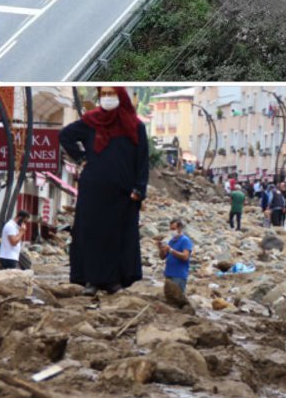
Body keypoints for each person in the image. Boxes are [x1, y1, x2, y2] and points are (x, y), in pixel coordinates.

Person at [60, 86, 148, 296]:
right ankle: (90, 280)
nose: (107, 98)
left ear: (121, 97)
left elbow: (142, 161)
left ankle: (114, 281)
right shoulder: (91, 121)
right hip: (93, 190)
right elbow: (65, 135)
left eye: (112, 94)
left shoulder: (135, 125)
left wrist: (139, 188)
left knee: (117, 236)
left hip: (123, 192)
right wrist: (81, 158)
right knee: (92, 233)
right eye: (103, 94)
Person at [156, 218, 193, 294]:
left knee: (177, 297)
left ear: (180, 228)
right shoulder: (171, 241)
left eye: (173, 229)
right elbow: (162, 257)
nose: (172, 231)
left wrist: (171, 250)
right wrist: (161, 249)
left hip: (179, 275)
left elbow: (185, 256)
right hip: (169, 273)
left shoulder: (185, 240)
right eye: (171, 229)